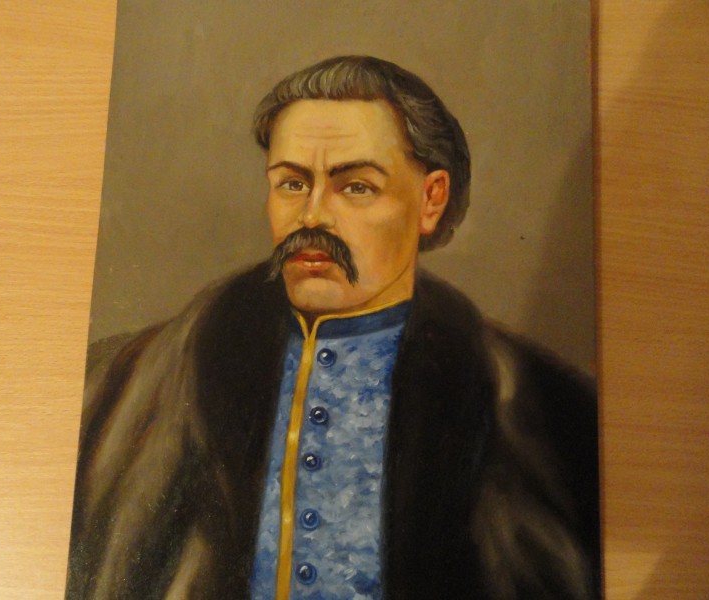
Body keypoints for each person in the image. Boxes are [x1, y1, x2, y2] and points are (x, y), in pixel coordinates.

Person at [66, 56, 600, 600]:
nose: (313, 216)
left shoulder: (541, 411)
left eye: (356, 187)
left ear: (431, 199)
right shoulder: (127, 385)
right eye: (293, 183)